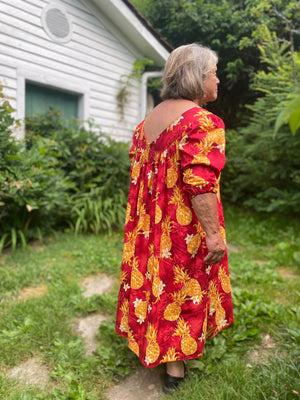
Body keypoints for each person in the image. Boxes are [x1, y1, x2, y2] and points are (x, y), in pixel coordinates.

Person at [115, 43, 234, 394]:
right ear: (197, 77)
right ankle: (175, 369)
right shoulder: (202, 122)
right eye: (213, 72)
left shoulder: (144, 126)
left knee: (154, 283)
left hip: (148, 227)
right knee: (182, 288)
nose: (218, 79)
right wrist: (212, 234)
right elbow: (200, 183)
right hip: (180, 227)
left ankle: (154, 344)